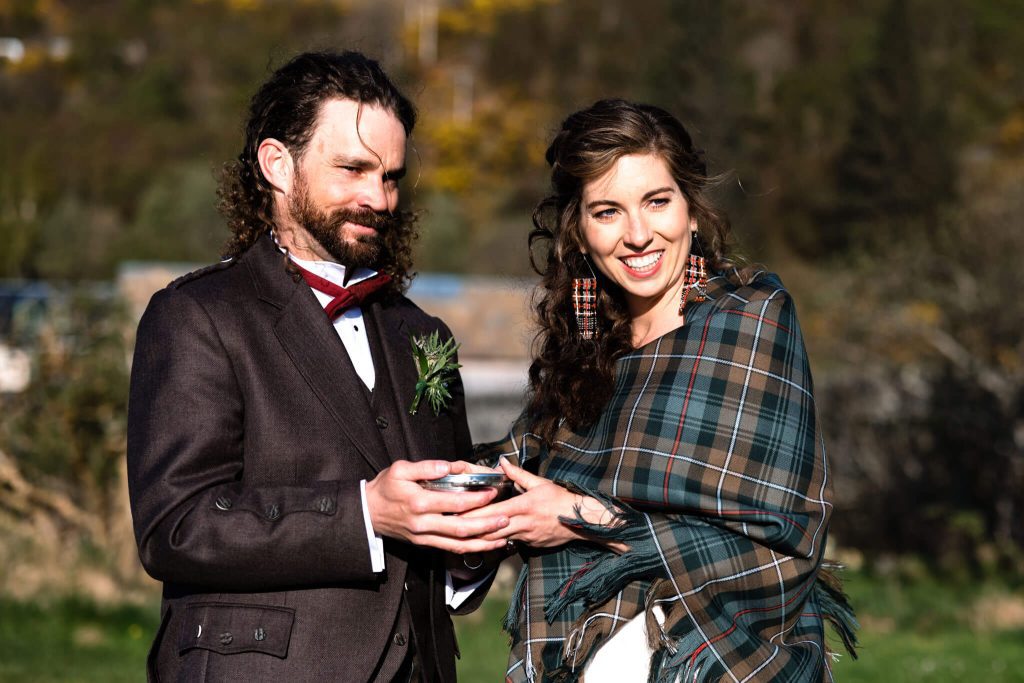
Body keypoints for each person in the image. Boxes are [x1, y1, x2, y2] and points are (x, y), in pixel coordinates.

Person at [126, 51, 510, 682]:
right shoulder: (195, 316)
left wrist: (471, 542)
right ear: (278, 164)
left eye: (390, 176)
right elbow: (177, 526)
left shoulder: (422, 333)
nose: (379, 198)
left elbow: (438, 527)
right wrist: (364, 514)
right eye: (353, 169)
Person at [467, 99, 857, 682]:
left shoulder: (751, 321)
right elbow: (519, 465)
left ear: (692, 210)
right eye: (608, 211)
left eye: (657, 201)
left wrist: (581, 516)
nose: (638, 235)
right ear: (578, 230)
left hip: (722, 660)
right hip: (590, 656)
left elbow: (784, 536)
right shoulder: (583, 349)